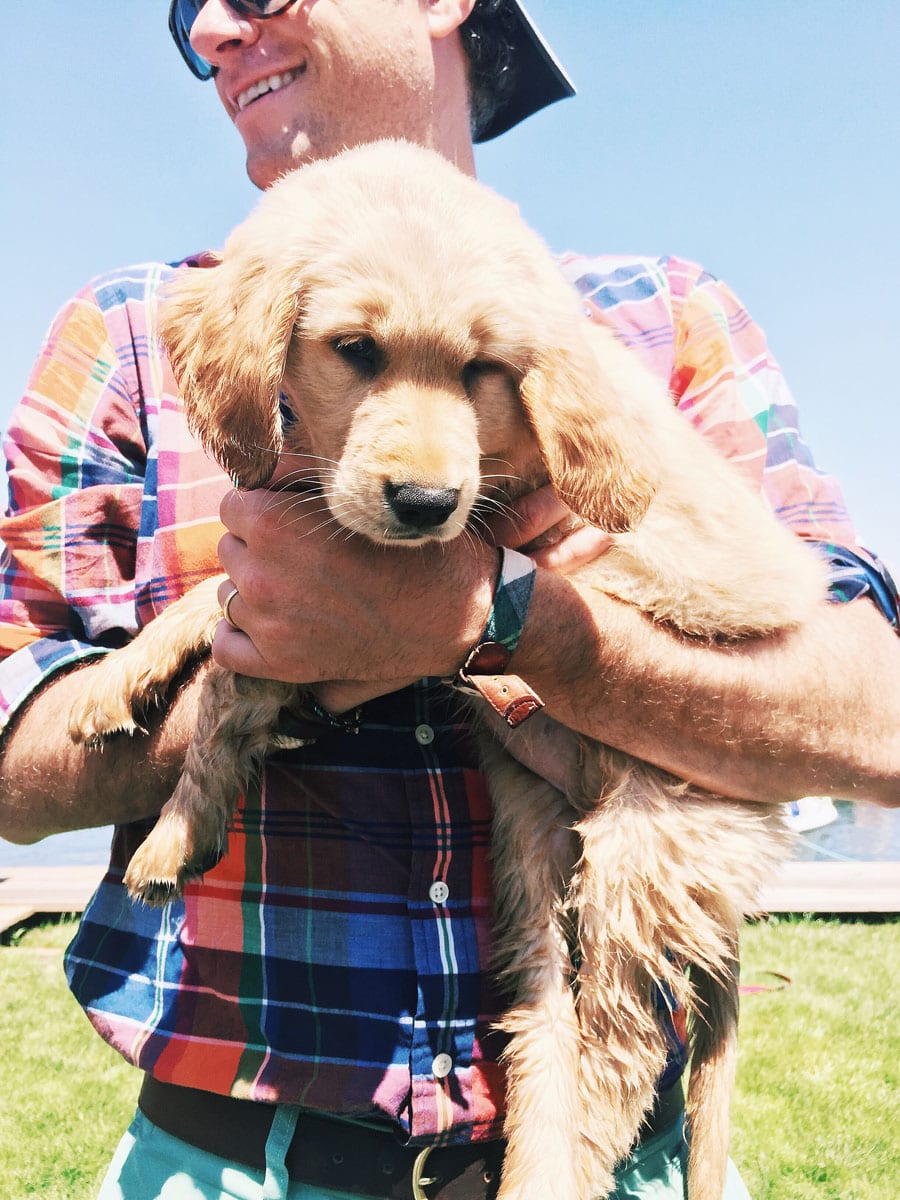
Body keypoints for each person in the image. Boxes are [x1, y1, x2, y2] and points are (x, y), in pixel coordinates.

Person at [1, 3, 898, 1198]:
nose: (215, 26)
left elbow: (874, 720)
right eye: (186, 10)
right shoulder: (129, 331)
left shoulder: (668, 319)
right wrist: (285, 650)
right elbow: (11, 764)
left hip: (613, 1149)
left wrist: (503, 628)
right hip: (227, 1167)